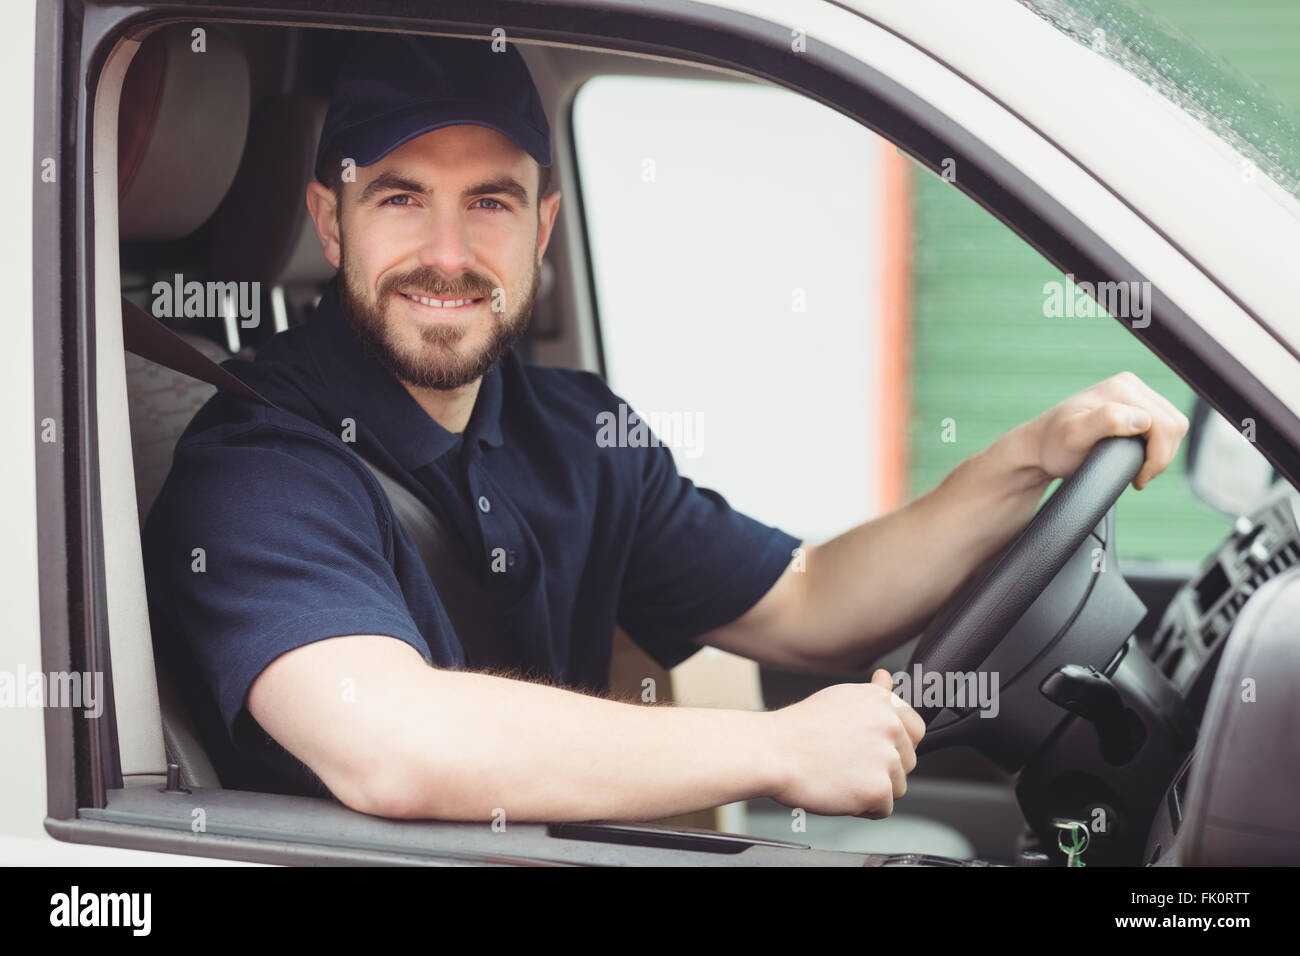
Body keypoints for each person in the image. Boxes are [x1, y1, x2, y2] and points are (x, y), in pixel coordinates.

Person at [142, 33, 1188, 823]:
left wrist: (1022, 461)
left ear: (542, 226)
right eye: (403, 199)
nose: (449, 252)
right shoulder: (257, 467)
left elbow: (809, 599)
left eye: (492, 203)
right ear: (333, 220)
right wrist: (772, 747)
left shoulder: (574, 426)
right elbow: (394, 742)